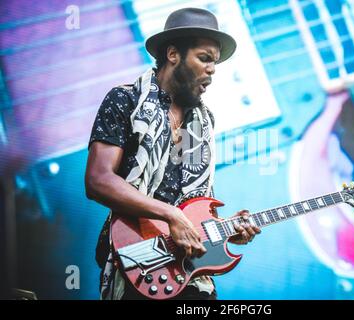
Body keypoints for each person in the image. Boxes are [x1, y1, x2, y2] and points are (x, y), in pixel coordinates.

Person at [85, 7, 260, 300]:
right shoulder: (124, 100)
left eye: (215, 62)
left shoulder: (203, 123)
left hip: (190, 271)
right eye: (204, 58)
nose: (212, 69)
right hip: (137, 259)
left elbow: (196, 205)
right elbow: (98, 180)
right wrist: (171, 216)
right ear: (173, 54)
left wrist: (228, 228)